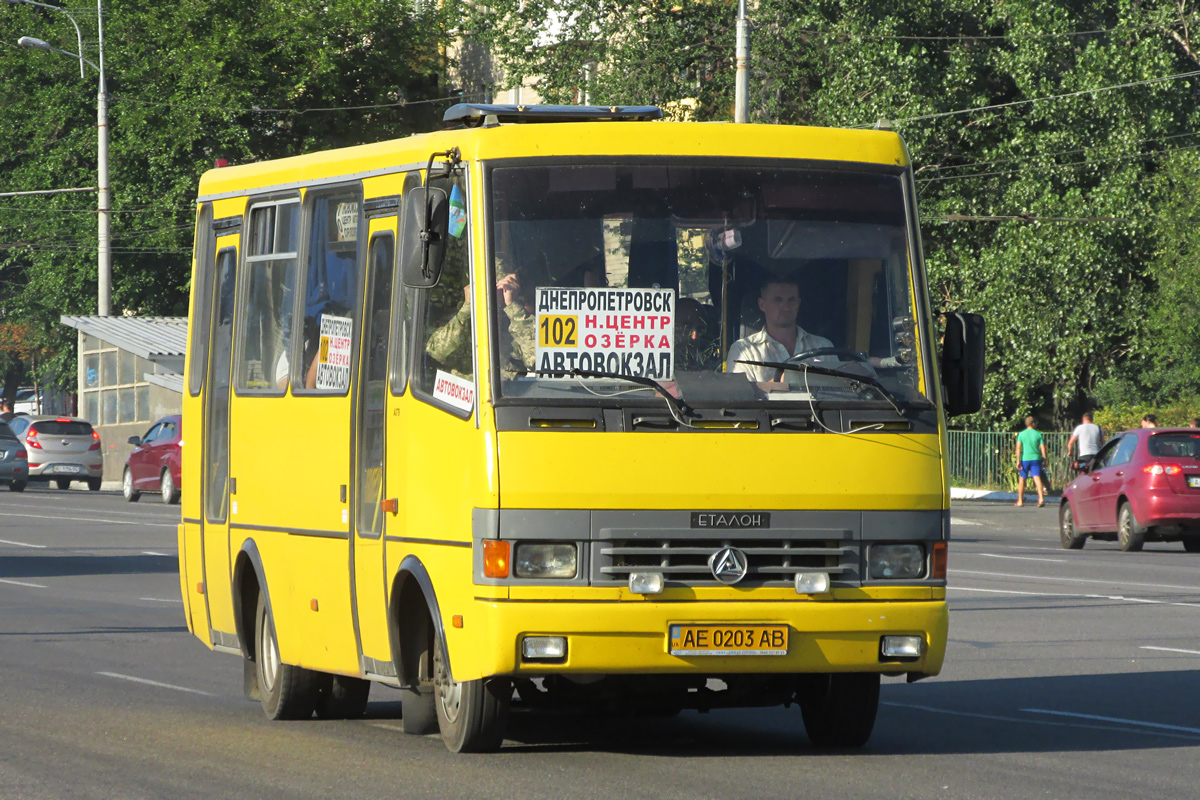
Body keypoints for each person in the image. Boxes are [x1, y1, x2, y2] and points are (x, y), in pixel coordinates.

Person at [726, 278, 836, 387]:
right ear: (762, 304)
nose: (786, 307)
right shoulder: (743, 351)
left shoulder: (823, 348)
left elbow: (841, 393)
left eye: (791, 300)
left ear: (798, 303)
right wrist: (780, 381)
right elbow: (740, 398)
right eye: (778, 300)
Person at [1015, 416, 1047, 508]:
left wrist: (1018, 460)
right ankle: (1041, 499)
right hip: (1036, 458)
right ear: (1033, 424)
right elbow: (1042, 448)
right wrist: (1045, 460)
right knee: (1037, 478)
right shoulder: (1038, 434)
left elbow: (1018, 448)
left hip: (1025, 459)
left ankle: (1020, 501)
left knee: (1022, 479)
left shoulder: (1021, 434)